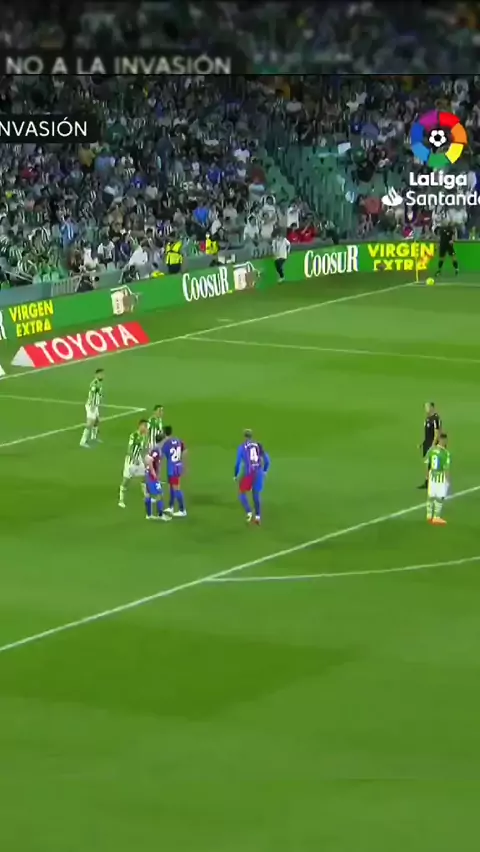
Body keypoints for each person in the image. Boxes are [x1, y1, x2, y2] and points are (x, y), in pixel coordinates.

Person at [234, 429, 271, 524]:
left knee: (241, 492)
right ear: (252, 436)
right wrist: (265, 470)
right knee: (256, 495)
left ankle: (249, 511)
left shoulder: (242, 448)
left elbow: (238, 463)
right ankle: (258, 517)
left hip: (249, 474)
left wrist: (236, 475)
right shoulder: (258, 445)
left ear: (244, 437)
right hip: (258, 473)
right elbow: (267, 460)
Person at [118, 419, 149, 509]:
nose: (146, 428)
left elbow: (143, 448)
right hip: (131, 460)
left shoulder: (144, 436)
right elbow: (129, 449)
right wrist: (134, 458)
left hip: (138, 459)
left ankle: (146, 495)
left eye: (146, 426)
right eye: (145, 426)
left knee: (144, 477)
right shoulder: (134, 435)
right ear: (140, 426)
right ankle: (121, 500)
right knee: (126, 480)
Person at [425, 433, 451, 525]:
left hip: (432, 475)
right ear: (443, 440)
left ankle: (429, 515)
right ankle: (436, 517)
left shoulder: (431, 450)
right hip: (440, 477)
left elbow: (427, 463)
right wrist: (447, 480)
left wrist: (427, 476)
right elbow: (446, 468)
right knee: (440, 497)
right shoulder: (445, 453)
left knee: (431, 496)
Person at [162, 425, 187, 517]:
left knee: (176, 489)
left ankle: (182, 510)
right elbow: (185, 450)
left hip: (172, 469)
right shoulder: (178, 440)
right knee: (172, 487)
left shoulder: (166, 444)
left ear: (164, 433)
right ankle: (171, 507)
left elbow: (162, 455)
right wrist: (181, 461)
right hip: (177, 467)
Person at [144, 443, 172, 522]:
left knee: (148, 494)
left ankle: (149, 515)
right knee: (160, 494)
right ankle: (160, 515)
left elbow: (146, 458)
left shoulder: (154, 449)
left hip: (147, 474)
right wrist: (153, 473)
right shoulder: (157, 451)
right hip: (151, 477)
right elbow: (150, 460)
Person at [418, 402, 442, 489]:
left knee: (434, 464)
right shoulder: (427, 419)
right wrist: (422, 443)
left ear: (432, 407)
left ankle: (435, 481)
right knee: (428, 463)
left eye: (427, 407)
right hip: (427, 443)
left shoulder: (436, 419)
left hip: (433, 444)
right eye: (425, 407)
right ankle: (427, 481)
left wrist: (433, 445)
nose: (426, 409)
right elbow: (427, 434)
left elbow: (437, 433)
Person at [80, 368, 104, 448]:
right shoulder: (94, 384)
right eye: (100, 374)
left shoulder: (99, 383)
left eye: (102, 374)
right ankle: (82, 441)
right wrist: (93, 406)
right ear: (96, 375)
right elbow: (92, 395)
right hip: (91, 405)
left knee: (97, 421)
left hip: (95, 405)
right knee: (90, 423)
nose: (102, 376)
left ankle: (93, 437)